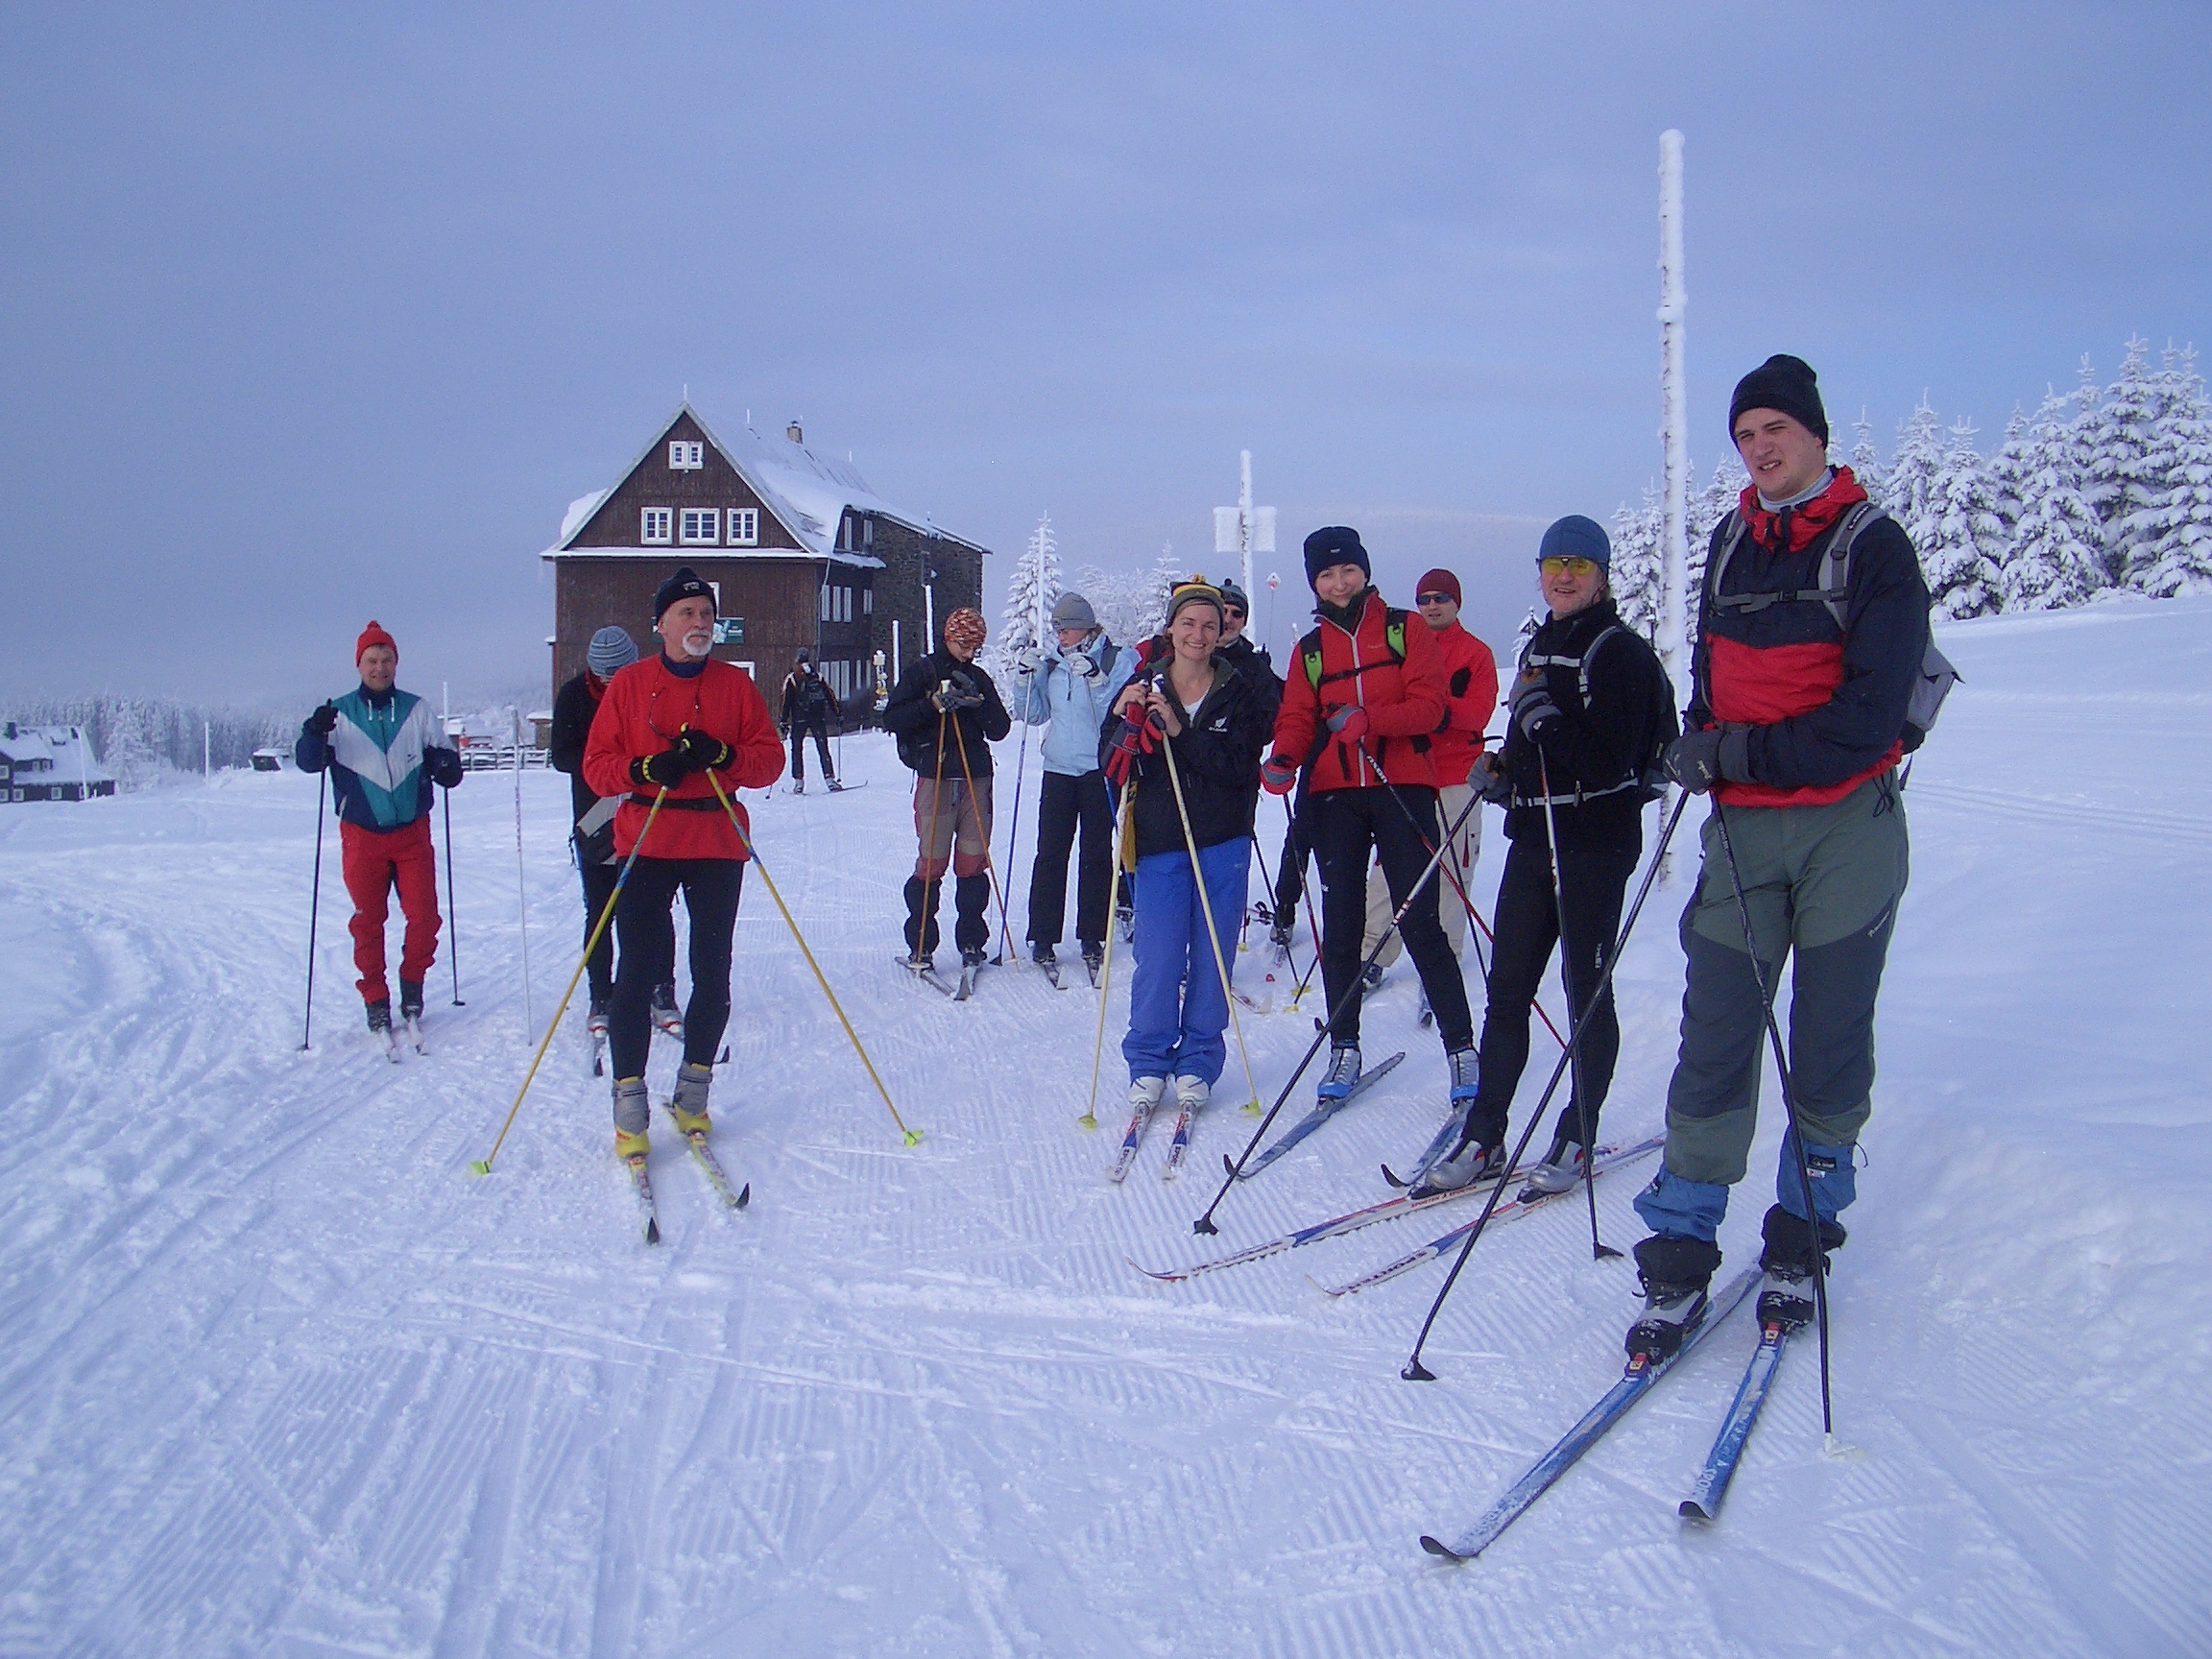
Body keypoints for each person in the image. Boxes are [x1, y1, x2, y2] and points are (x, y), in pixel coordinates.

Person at [1627, 354, 1926, 1362]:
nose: (1760, 448)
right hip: (1746, 832)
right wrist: (1698, 739)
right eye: (1746, 434)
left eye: (1776, 430)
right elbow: (1713, 679)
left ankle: (1803, 1234)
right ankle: (1679, 1247)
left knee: (1829, 1039)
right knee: (1716, 1034)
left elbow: (1864, 723)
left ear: (1816, 436)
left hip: (1847, 827)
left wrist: (1731, 755)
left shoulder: (1874, 545)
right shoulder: (1731, 541)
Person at [1421, 520, 1674, 1194]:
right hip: (1536, 839)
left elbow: (1607, 761)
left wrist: (1544, 724)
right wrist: (1504, 771)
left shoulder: (1619, 652)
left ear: (1602, 574)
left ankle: (1577, 1134)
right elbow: (1534, 744)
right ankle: (1485, 1134)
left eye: (1579, 564)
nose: (1564, 576)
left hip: (1594, 844)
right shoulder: (1542, 643)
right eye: (1554, 564)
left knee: (1585, 994)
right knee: (1507, 993)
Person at [1260, 527, 1479, 1120]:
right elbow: (1297, 716)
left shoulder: (1404, 629)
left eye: (1348, 571)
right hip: (1336, 796)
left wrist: (1370, 719)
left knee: (1420, 919)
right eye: (1327, 575)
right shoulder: (1310, 650)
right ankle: (1345, 1047)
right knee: (1342, 925)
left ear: (1364, 571)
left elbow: (1431, 707)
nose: (1339, 583)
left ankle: (1462, 1049)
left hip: (1401, 784)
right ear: (1315, 583)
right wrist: (1284, 757)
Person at [581, 567, 784, 1158]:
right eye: (687, 613)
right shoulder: (629, 684)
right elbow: (595, 767)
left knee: (712, 970)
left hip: (716, 838)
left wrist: (724, 754)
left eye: (705, 614)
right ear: (661, 625)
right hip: (647, 836)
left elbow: (769, 761)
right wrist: (644, 769)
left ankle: (693, 1093)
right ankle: (629, 1104)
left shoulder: (735, 685)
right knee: (637, 969)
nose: (699, 623)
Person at [1102, 578, 1268, 1120]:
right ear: (1171, 628)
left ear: (1222, 632)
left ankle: (1198, 1059)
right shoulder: (1144, 683)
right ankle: (1149, 1059)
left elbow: (1240, 767)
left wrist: (1181, 732)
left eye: (1210, 625)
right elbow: (1109, 761)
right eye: (1189, 623)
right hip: (1160, 842)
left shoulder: (1239, 690)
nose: (1199, 634)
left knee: (1213, 958)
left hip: (1223, 841)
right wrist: (1122, 720)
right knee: (1159, 957)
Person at [295, 620, 464, 1042]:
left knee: (425, 917)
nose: (379, 667)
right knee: (368, 921)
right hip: (361, 835)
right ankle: (374, 998)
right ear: (359, 664)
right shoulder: (338, 713)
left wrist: (444, 765)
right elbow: (309, 762)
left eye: (386, 659)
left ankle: (412, 986)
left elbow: (449, 767)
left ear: (396, 663)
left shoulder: (416, 710)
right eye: (371, 660)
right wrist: (314, 732)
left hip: (412, 833)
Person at [1356, 566, 1500, 983]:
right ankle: (1372, 956)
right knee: (1389, 872)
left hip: (1457, 778)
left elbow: (1479, 712)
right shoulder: (1403, 648)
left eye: (1441, 598)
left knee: (1453, 873)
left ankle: (1445, 963)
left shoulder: (1475, 653)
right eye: (1424, 599)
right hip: (1408, 775)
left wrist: (1433, 710)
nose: (1432, 606)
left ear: (1456, 603)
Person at [547, 625, 675, 1043]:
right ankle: (601, 994)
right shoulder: (573, 696)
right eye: (604, 676)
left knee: (654, 907)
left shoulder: (652, 688)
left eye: (618, 674)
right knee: (601, 910)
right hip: (595, 816)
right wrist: (606, 761)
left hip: (646, 809)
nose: (611, 683)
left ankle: (661, 989)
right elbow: (561, 755)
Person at [881, 608, 1013, 973]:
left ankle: (971, 942)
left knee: (972, 863)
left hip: (975, 777)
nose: (969, 653)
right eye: (964, 645)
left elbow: (1000, 729)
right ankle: (921, 946)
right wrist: (933, 705)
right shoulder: (923, 672)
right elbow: (891, 718)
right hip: (936, 775)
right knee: (932, 863)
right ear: (948, 638)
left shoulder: (978, 676)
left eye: (975, 647)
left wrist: (977, 704)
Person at [1010, 591, 1134, 978]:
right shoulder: (1053, 663)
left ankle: (1092, 935)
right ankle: (1043, 936)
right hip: (1058, 769)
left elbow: (1119, 713)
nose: (1060, 635)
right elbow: (1033, 714)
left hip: (1099, 769)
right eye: (1057, 628)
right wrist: (1024, 680)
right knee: (1050, 854)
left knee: (1096, 854)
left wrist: (1097, 680)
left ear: (1086, 627)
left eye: (1067, 628)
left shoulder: (1116, 659)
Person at [779, 648, 844, 794]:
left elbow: (786, 701)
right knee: (823, 748)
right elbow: (830, 695)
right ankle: (829, 779)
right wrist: (838, 714)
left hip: (799, 718)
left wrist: (783, 720)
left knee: (797, 749)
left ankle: (798, 782)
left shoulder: (793, 678)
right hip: (817, 717)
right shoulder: (817, 676)